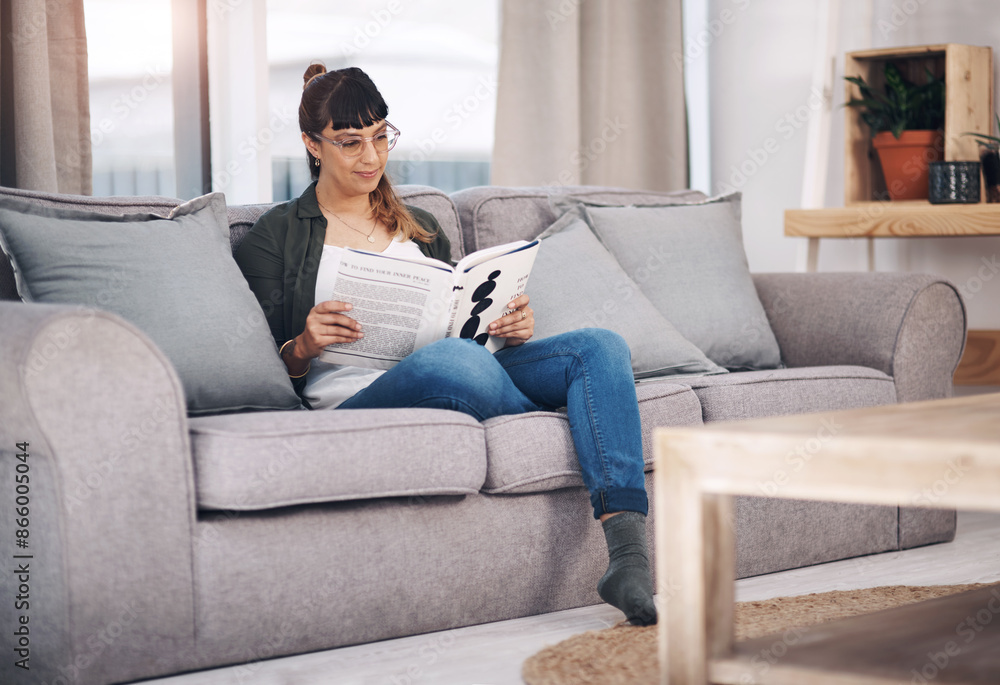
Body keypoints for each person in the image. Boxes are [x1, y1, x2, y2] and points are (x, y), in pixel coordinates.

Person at [235, 64, 657, 626]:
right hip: (358, 396)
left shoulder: (422, 225)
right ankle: (575, 411)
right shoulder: (276, 235)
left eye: (382, 136)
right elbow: (259, 368)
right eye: (350, 142)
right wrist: (304, 344)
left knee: (599, 348)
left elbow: (456, 317)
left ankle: (627, 558)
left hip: (464, 366)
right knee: (457, 362)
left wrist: (506, 327)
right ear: (312, 144)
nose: (371, 157)